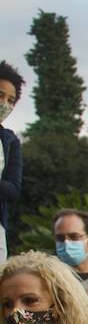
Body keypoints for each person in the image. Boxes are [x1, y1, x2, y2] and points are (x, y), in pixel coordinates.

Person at [0, 61, 22, 263]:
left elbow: (13, 189)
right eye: (0, 95)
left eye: (11, 100)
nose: (5, 104)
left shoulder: (9, 141)